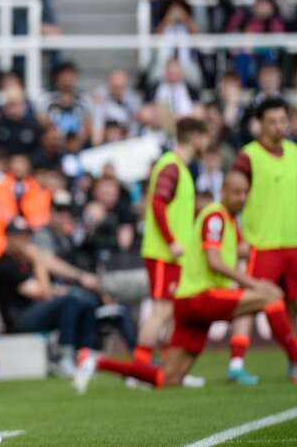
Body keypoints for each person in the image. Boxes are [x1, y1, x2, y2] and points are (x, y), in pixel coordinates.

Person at [75, 172, 297, 391]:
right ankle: (293, 359)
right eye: (236, 192)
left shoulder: (228, 221)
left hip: (189, 303)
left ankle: (96, 362)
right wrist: (254, 284)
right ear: (223, 192)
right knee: (270, 295)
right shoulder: (216, 217)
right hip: (200, 297)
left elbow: (241, 250)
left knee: (168, 378)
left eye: (245, 193)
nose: (242, 198)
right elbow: (214, 261)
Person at [227, 97, 297, 383]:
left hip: (293, 243)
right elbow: (232, 198)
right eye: (273, 121)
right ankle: (236, 363)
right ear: (260, 123)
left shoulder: (294, 152)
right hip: (261, 244)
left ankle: (294, 363)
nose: (280, 126)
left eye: (283, 120)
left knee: (294, 305)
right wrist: (239, 237)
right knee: (250, 302)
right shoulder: (248, 156)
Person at [135, 118, 207, 370]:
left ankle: (166, 369)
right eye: (204, 137)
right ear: (196, 137)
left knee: (171, 312)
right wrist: (172, 241)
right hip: (164, 253)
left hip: (172, 255)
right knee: (161, 312)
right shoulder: (172, 166)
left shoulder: (178, 167)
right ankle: (140, 368)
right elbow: (157, 204)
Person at [0, 218, 97, 373]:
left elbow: (55, 266)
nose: (26, 241)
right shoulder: (4, 264)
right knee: (71, 300)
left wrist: (79, 278)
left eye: (27, 236)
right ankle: (64, 357)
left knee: (86, 300)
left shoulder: (25, 260)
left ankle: (85, 354)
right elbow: (43, 294)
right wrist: (38, 262)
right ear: (9, 238)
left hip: (36, 311)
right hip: (19, 320)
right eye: (20, 237)